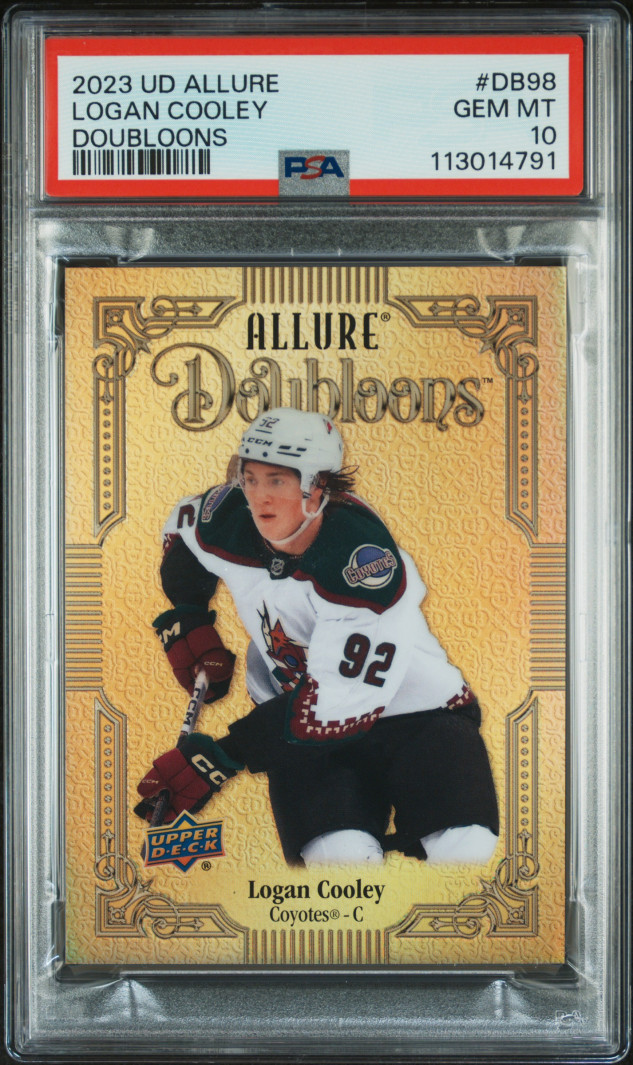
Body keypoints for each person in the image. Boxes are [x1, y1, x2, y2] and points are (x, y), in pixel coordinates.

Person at [136, 408, 499, 866]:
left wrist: (223, 756)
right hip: (292, 718)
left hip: (417, 714)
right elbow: (182, 534)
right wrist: (189, 619)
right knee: (337, 862)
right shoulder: (226, 514)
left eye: (278, 480)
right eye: (251, 478)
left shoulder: (363, 563)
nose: (260, 497)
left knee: (466, 849)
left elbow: (338, 702)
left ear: (319, 486)